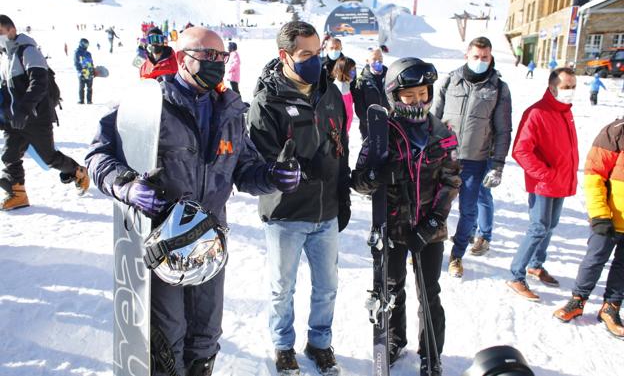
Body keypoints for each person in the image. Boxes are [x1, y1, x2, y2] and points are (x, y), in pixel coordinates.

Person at [85, 26, 300, 376]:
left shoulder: (230, 112)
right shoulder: (149, 103)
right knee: (168, 334)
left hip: (208, 243)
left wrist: (273, 177)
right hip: (163, 242)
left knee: (206, 335)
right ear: (182, 59)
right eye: (208, 56)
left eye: (221, 57)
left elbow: (245, 170)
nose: (217, 63)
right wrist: (126, 185)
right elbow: (98, 156)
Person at [247, 21, 350, 376]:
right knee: (282, 289)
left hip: (327, 212)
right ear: (285, 56)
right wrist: (298, 168)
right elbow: (260, 164)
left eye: (317, 53)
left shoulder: (331, 93)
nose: (314, 61)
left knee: (327, 287)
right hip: (286, 215)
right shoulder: (267, 102)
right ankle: (282, 345)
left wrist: (343, 191)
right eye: (305, 54)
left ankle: (320, 342)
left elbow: (342, 145)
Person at [351, 58, 461, 375]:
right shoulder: (382, 133)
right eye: (408, 95)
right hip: (392, 229)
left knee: (429, 293)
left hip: (430, 229)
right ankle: (395, 340)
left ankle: (431, 354)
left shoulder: (443, 133)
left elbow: (451, 181)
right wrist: (376, 175)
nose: (417, 100)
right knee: (391, 290)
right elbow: (358, 181)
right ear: (395, 95)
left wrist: (430, 225)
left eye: (422, 93)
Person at [433, 36, 512, 277]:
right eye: (476, 56)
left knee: (468, 211)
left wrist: (497, 165)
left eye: (485, 57)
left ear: (491, 58)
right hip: (444, 157)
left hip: (475, 161)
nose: (480, 61)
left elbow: (503, 130)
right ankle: (429, 249)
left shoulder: (498, 87)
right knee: (435, 207)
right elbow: (434, 118)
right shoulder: (450, 80)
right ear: (467, 55)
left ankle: (456, 256)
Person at [0, 14, 90, 210]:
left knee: (48, 157)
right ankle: (17, 194)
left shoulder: (28, 51)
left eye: (0, 32)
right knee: (9, 155)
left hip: (34, 117)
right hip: (15, 119)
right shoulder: (6, 57)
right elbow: (7, 92)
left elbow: (39, 84)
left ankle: (77, 171)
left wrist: (24, 110)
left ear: (11, 30)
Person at [507, 67, 579, 301]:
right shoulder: (537, 112)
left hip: (559, 181)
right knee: (538, 228)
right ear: (552, 87)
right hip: (543, 183)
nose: (570, 91)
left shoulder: (565, 111)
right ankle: (516, 275)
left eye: (573, 86)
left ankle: (536, 264)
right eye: (566, 86)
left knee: (550, 225)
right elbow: (521, 150)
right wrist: (544, 174)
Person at [553, 118, 624, 338]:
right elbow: (594, 173)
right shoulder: (616, 132)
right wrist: (600, 214)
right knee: (594, 259)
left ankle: (611, 307)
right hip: (609, 217)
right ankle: (578, 299)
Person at [352, 47, 390, 140]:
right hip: (368, 127)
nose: (378, 61)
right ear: (367, 60)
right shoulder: (362, 80)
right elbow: (359, 107)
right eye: (374, 59)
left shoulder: (389, 76)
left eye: (380, 58)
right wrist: (370, 123)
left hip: (388, 124)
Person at [331, 56, 356, 133]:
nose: (354, 72)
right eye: (352, 70)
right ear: (344, 71)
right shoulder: (340, 89)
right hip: (340, 132)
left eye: (355, 69)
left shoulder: (346, 85)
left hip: (345, 131)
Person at [74, 38, 95, 104]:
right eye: (85, 44)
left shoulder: (88, 53)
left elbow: (91, 62)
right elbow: (76, 63)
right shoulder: (77, 52)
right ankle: (81, 100)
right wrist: (80, 71)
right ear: (81, 44)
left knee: (89, 87)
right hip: (82, 71)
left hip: (88, 71)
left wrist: (92, 70)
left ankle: (89, 100)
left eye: (87, 44)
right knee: (81, 86)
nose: (86, 46)